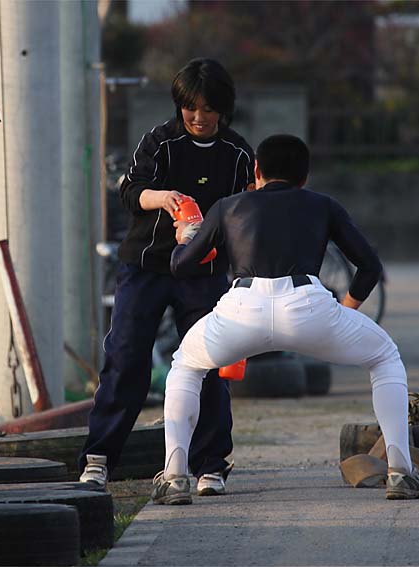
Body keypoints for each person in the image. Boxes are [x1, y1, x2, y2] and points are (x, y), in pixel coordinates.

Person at [151, 134, 419, 505]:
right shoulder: (322, 205)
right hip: (308, 306)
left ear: (256, 170)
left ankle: (174, 477)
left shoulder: (227, 206)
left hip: (241, 308)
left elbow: (180, 266)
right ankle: (401, 473)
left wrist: (186, 237)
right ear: (305, 176)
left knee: (186, 367)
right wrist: (343, 313)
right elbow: (369, 266)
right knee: (384, 357)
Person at [78, 58, 254, 495]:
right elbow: (130, 191)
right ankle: (98, 459)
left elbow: (246, 214)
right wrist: (164, 198)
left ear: (223, 110)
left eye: (208, 110)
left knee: (209, 364)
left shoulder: (238, 154)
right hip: (146, 265)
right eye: (190, 108)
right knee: (126, 357)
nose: (198, 117)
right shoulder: (159, 140)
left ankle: (210, 464)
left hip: (204, 273)